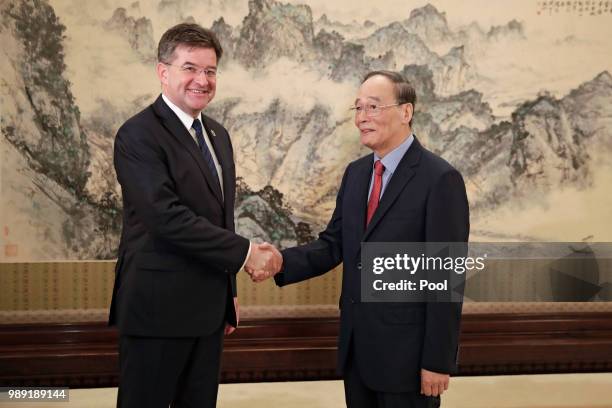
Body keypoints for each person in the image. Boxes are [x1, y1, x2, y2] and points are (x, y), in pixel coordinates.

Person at [252, 70, 469, 408]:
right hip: (358, 353)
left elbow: (445, 277)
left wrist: (438, 361)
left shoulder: (440, 179)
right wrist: (281, 261)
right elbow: (334, 243)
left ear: (406, 112)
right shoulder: (356, 174)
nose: (362, 118)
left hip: (409, 361)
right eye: (358, 108)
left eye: (373, 107)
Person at [109, 23, 279, 408]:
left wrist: (229, 292)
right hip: (157, 310)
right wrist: (247, 253)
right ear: (163, 71)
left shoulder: (218, 135)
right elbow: (165, 218)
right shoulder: (137, 135)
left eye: (210, 71)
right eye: (190, 68)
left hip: (208, 312)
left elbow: (222, 217)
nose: (202, 80)